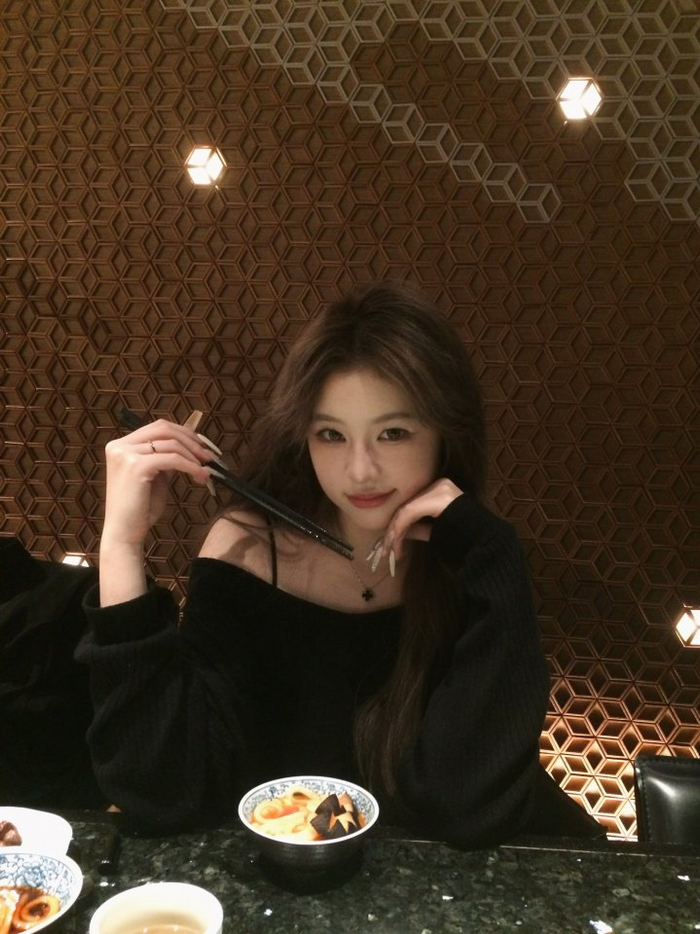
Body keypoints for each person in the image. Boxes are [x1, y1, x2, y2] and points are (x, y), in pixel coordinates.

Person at [77, 282, 602, 844]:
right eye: (331, 434)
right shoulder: (248, 550)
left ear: (446, 433)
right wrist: (121, 545)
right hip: (298, 868)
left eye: (393, 433)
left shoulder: (469, 560)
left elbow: (466, 807)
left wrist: (494, 556)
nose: (359, 471)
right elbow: (159, 791)